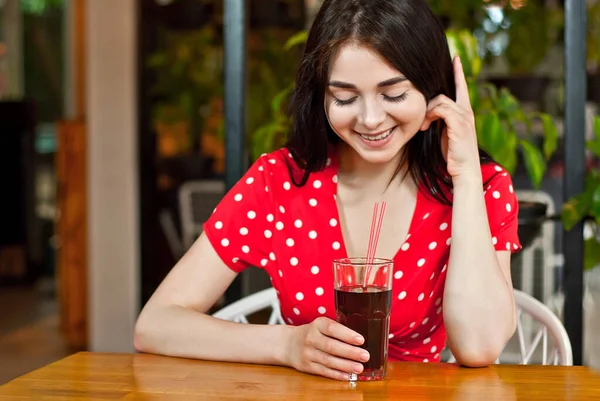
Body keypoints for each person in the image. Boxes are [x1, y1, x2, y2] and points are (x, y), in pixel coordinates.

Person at [134, 0, 521, 381]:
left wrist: (467, 174)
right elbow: (155, 324)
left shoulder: (480, 187)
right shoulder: (278, 183)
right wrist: (286, 345)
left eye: (394, 94)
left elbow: (479, 346)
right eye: (345, 97)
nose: (370, 119)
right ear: (321, 97)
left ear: (435, 90)